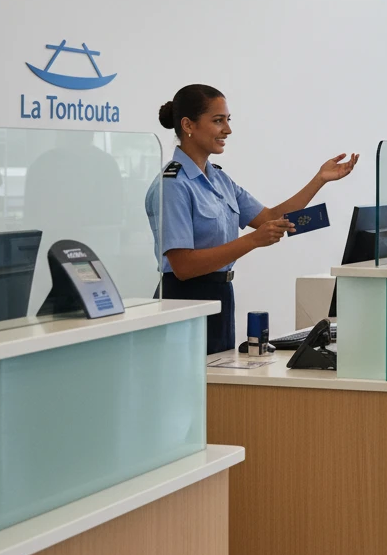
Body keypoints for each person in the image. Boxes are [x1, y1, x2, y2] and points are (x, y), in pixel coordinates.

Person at [145, 84, 358, 355]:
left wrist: (319, 180)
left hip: (221, 295)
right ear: (188, 125)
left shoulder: (219, 179)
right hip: (184, 299)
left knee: (219, 390)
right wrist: (253, 241)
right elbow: (183, 266)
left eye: (228, 120)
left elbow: (269, 217)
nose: (227, 130)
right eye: (217, 121)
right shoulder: (172, 185)